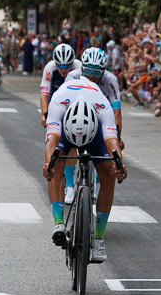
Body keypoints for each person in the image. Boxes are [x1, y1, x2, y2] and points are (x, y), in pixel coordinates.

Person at [42, 78, 127, 262]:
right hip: (67, 129)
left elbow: (112, 143)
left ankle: (98, 238)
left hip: (94, 131)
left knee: (109, 173)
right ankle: (58, 223)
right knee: (54, 166)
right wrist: (49, 164)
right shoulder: (58, 102)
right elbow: (51, 141)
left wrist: (119, 165)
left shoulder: (103, 107)